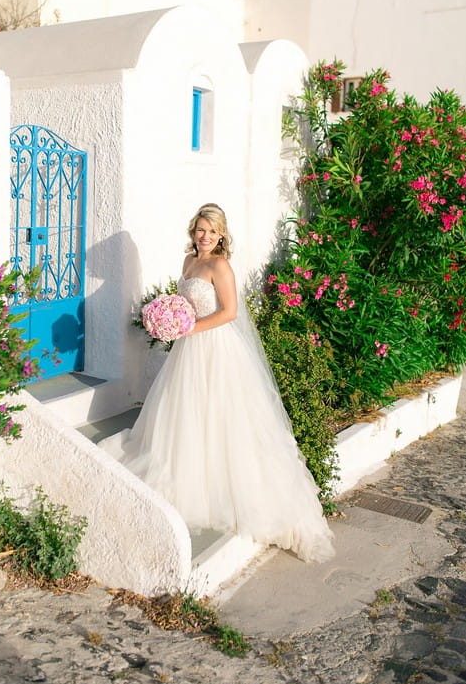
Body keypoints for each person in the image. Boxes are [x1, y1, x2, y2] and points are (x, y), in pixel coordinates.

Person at [100, 203, 334, 563]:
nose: (205, 236)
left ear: (221, 234)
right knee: (187, 412)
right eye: (200, 230)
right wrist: (170, 319)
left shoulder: (219, 266)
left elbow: (229, 312)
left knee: (220, 414)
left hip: (215, 348)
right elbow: (184, 302)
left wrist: (189, 327)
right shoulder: (188, 262)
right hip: (188, 349)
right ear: (193, 231)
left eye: (212, 231)